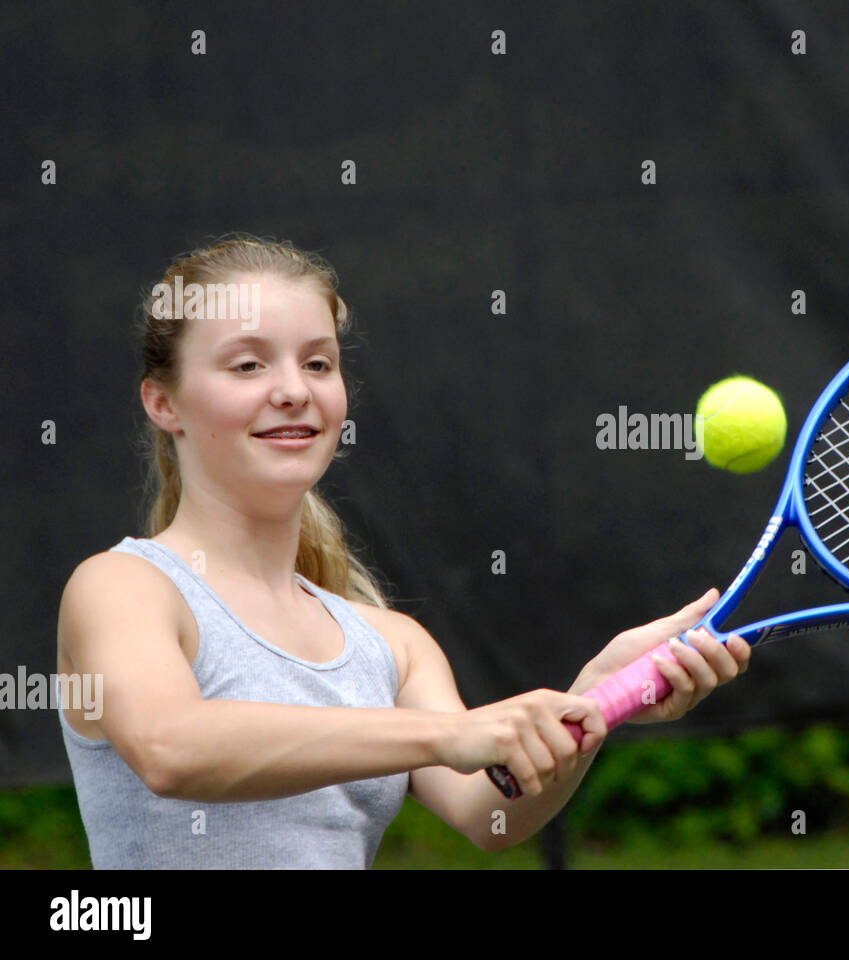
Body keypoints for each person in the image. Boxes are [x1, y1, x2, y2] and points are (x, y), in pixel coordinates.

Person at [56, 235, 749, 868]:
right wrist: (440, 735)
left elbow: (491, 814)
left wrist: (597, 701)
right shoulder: (121, 588)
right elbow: (172, 748)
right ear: (164, 403)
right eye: (247, 364)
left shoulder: (390, 643)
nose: (294, 390)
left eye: (318, 362)